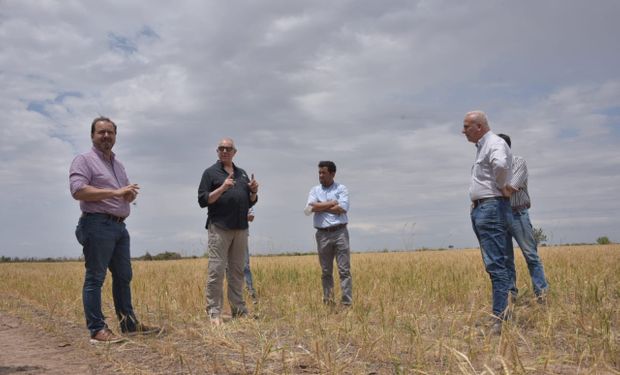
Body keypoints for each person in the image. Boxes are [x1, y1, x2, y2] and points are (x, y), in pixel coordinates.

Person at [69, 116, 159, 344]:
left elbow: (122, 194)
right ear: (92, 135)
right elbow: (78, 190)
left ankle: (128, 324)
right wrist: (115, 193)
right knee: (95, 278)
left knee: (123, 276)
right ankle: (97, 330)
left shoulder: (118, 164)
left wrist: (128, 195)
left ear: (115, 136)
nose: (106, 136)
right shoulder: (84, 160)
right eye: (101, 132)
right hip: (97, 224)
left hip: (119, 226)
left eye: (110, 132)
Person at [462, 111, 513, 334]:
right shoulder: (484, 146)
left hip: (491, 206)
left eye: (466, 127)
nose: (463, 131)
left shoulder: (494, 143)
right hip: (483, 208)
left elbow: (501, 165)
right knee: (494, 263)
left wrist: (502, 186)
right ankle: (500, 313)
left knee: (496, 264)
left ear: (479, 127)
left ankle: (499, 318)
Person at [198, 138, 258, 325]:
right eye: (221, 148)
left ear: (234, 152)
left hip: (240, 228)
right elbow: (203, 200)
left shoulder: (242, 174)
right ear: (217, 151)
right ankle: (214, 312)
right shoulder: (210, 173)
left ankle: (238, 310)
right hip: (220, 228)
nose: (224, 151)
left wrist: (254, 192)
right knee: (216, 271)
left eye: (228, 149)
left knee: (237, 271)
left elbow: (249, 201)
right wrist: (222, 188)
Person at [497, 134, 549, 302]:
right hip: (500, 215)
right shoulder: (493, 168)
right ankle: (511, 296)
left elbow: (508, 189)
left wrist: (493, 191)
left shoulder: (518, 162)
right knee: (505, 259)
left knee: (530, 255)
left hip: (517, 214)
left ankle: (541, 294)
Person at [305, 161, 352, 307]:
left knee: (344, 270)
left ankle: (346, 304)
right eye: (319, 173)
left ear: (332, 174)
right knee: (326, 271)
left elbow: (342, 209)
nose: (320, 176)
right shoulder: (314, 190)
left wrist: (321, 206)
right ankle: (328, 302)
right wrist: (332, 202)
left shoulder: (341, 188)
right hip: (322, 234)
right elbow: (310, 208)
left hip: (340, 233)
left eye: (323, 173)